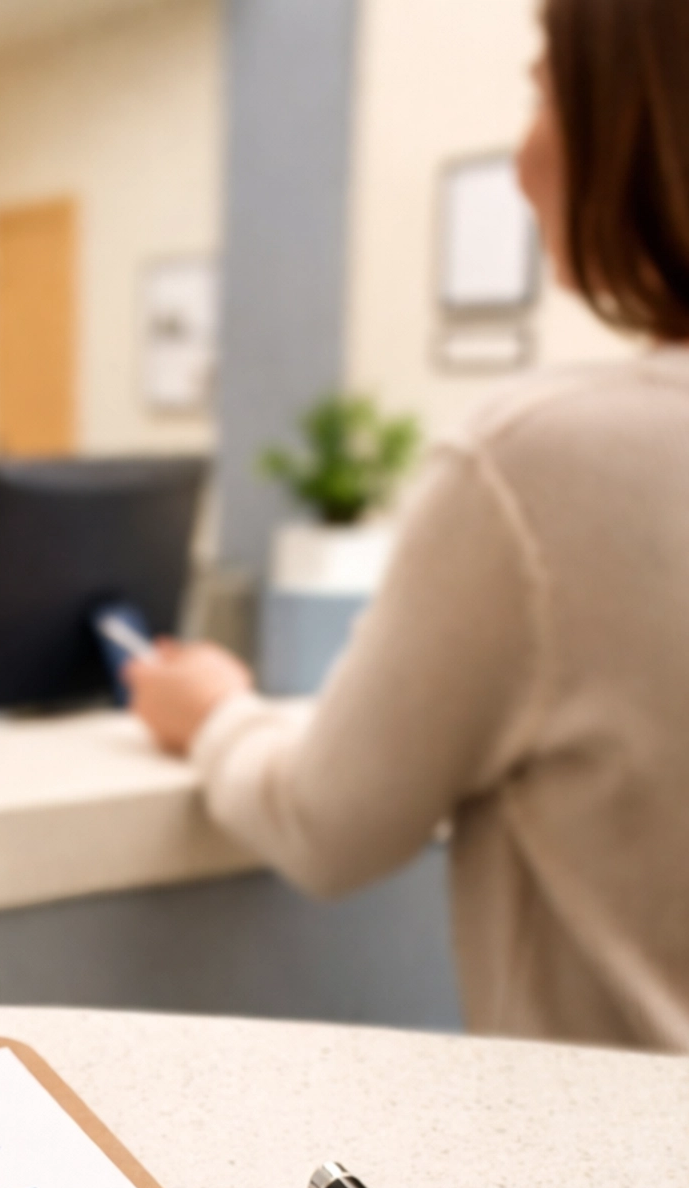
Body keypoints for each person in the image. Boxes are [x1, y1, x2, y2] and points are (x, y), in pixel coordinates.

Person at [128, 0, 689, 1052]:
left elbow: (327, 824)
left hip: (622, 1184)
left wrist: (214, 713)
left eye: (541, 91)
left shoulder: (543, 464)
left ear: (635, 120)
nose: (523, 156)